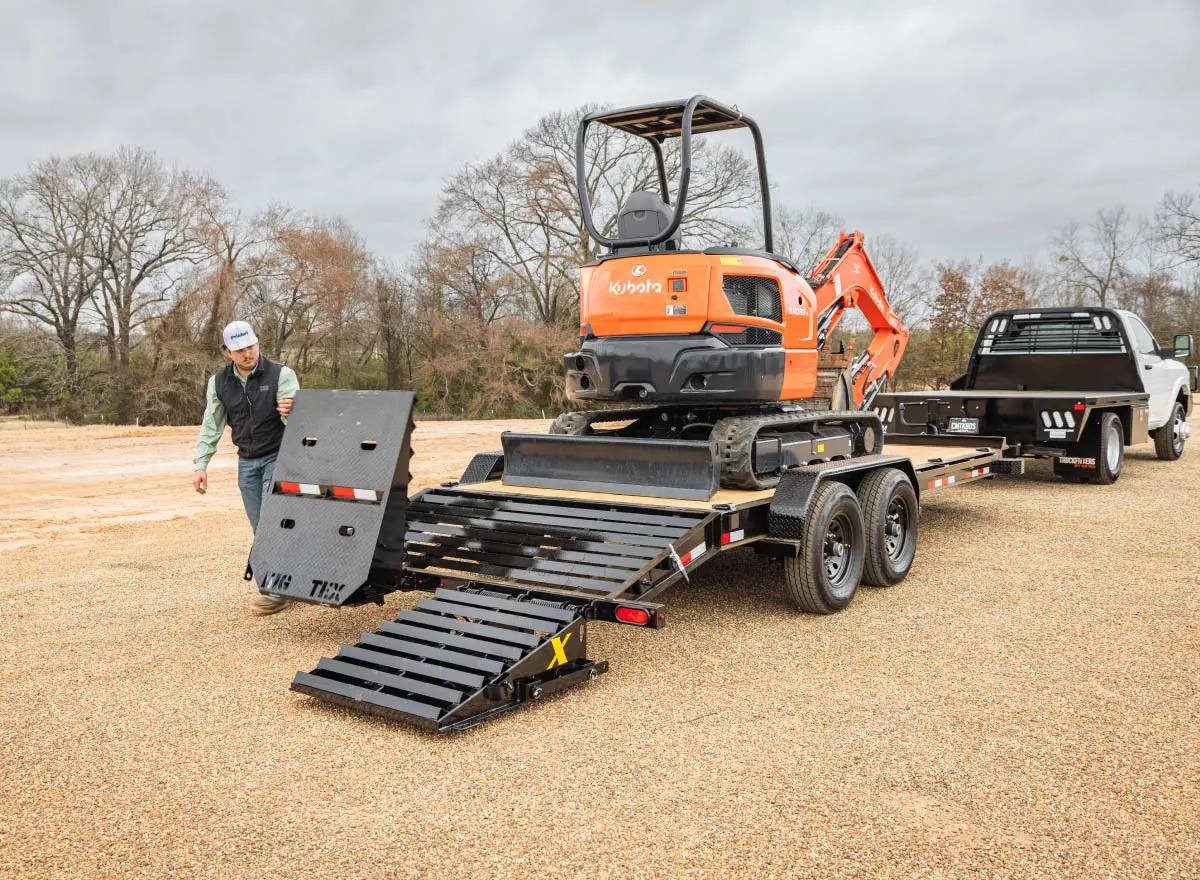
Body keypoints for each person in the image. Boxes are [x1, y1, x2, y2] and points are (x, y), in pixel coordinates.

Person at [193, 320, 300, 615]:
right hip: (247, 462)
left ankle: (275, 590)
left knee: (268, 524)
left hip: (279, 456)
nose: (247, 354)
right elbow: (211, 425)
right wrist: (201, 464)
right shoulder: (219, 383)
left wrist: (296, 409)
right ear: (227, 352)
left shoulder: (282, 375)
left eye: (251, 346)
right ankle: (289, 581)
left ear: (257, 342)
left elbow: (296, 420)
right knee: (260, 527)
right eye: (239, 350)